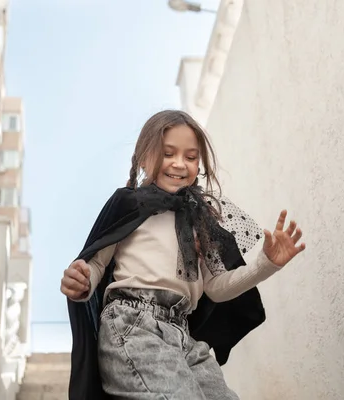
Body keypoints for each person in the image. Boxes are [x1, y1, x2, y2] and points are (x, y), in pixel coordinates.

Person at [61, 110, 305, 399]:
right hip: (134, 325)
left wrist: (265, 265)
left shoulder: (199, 220)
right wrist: (82, 279)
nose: (179, 164)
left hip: (183, 335)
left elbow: (216, 288)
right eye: (168, 153)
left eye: (190, 157)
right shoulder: (129, 204)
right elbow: (97, 264)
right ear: (144, 157)